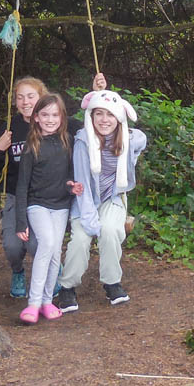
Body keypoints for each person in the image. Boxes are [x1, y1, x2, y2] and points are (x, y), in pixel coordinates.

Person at [0, 73, 106, 297]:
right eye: (20, 97)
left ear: (41, 98)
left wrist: (97, 94)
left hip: (50, 196)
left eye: (30, 96)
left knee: (37, 245)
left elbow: (94, 125)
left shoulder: (57, 122)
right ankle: (18, 271)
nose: (25, 102)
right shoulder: (10, 127)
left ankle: (52, 273)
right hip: (17, 195)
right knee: (13, 247)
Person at [56, 89, 147, 312]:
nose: (104, 120)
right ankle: (67, 287)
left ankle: (112, 282)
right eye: (99, 114)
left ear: (119, 118)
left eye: (110, 115)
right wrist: (89, 220)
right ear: (91, 116)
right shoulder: (83, 142)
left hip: (112, 197)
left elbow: (141, 139)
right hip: (85, 198)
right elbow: (83, 183)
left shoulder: (128, 139)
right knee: (80, 238)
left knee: (110, 231)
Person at [15, 93, 83, 324]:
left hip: (61, 205)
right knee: (46, 244)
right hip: (37, 205)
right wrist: (20, 221)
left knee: (55, 252)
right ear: (36, 118)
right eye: (45, 115)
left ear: (62, 117)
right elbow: (22, 185)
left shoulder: (68, 142)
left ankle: (46, 301)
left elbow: (69, 176)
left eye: (55, 114)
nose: (50, 119)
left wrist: (72, 187)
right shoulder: (31, 146)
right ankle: (33, 303)